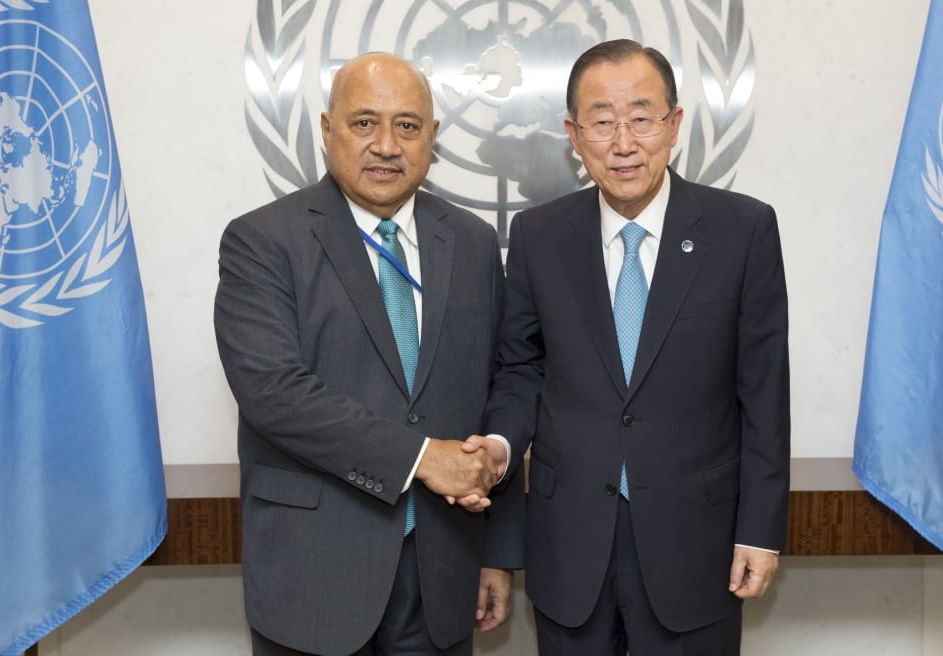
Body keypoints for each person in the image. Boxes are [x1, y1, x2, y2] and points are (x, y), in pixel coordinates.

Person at [471, 39, 790, 655]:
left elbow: (764, 392)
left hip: (698, 542)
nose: (623, 143)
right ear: (573, 132)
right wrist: (501, 445)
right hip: (569, 545)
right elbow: (521, 371)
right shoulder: (538, 236)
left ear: (674, 125)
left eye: (642, 118)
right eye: (602, 121)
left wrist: (761, 531)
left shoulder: (742, 230)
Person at [215, 52, 523, 656]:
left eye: (407, 126)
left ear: (431, 137)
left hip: (444, 575)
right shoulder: (261, 241)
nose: (386, 145)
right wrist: (421, 459)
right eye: (364, 123)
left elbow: (501, 389)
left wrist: (497, 554)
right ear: (327, 130)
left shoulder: (473, 242)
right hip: (315, 580)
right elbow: (273, 393)